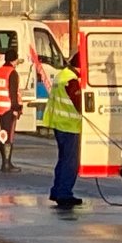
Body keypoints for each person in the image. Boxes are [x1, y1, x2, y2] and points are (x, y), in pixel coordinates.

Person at [43, 52, 83, 207]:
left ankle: (57, 190)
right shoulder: (71, 80)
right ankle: (64, 193)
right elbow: (79, 103)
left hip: (59, 124)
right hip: (69, 125)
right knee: (70, 162)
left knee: (63, 159)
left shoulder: (61, 75)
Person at [0, 49, 23, 173]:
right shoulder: (12, 73)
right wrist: (16, 108)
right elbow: (13, 92)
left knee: (3, 135)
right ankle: (7, 164)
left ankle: (5, 163)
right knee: (9, 136)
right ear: (14, 60)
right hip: (8, 109)